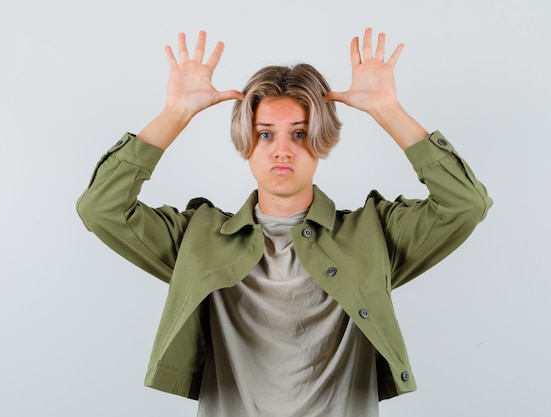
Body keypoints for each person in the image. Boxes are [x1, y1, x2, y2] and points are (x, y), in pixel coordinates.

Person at [77, 28, 492, 417]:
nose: (282, 151)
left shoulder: (373, 236)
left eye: (298, 134)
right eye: (264, 134)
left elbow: (465, 205)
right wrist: (175, 113)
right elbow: (102, 209)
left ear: (321, 141)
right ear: (246, 142)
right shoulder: (197, 239)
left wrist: (389, 111)